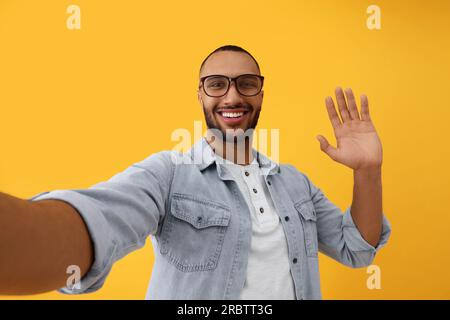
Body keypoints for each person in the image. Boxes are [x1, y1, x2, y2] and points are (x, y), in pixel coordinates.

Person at [0, 45, 391, 299]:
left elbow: (356, 248)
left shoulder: (295, 184)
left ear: (261, 94)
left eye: (246, 84)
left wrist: (368, 172)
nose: (233, 96)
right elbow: (99, 221)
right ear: (201, 95)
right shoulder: (168, 175)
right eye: (217, 85)